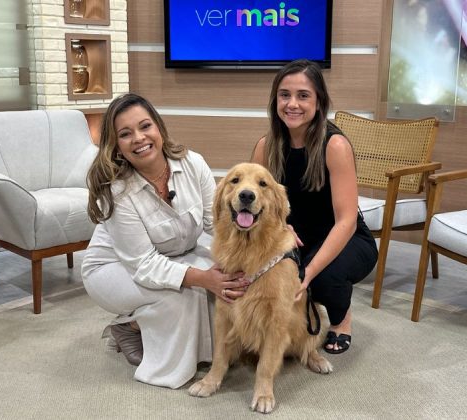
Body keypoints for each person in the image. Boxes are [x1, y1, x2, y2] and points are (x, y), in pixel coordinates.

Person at [81, 93, 248, 389]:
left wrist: (261, 246)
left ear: (159, 128)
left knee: (228, 282)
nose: (139, 138)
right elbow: (143, 264)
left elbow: (217, 223)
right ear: (116, 145)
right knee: (182, 296)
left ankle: (186, 341)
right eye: (125, 133)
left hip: (175, 254)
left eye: (145, 126)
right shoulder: (118, 192)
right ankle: (129, 326)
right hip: (115, 267)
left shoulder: (193, 163)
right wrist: (201, 278)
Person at [251, 59, 378, 354]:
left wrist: (307, 271)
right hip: (294, 236)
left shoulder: (335, 146)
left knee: (321, 278)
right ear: (275, 101)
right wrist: (281, 227)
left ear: (319, 102)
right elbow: (258, 205)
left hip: (345, 237)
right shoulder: (265, 146)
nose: (292, 104)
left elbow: (346, 220)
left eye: (303, 95)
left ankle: (341, 319)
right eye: (285, 95)